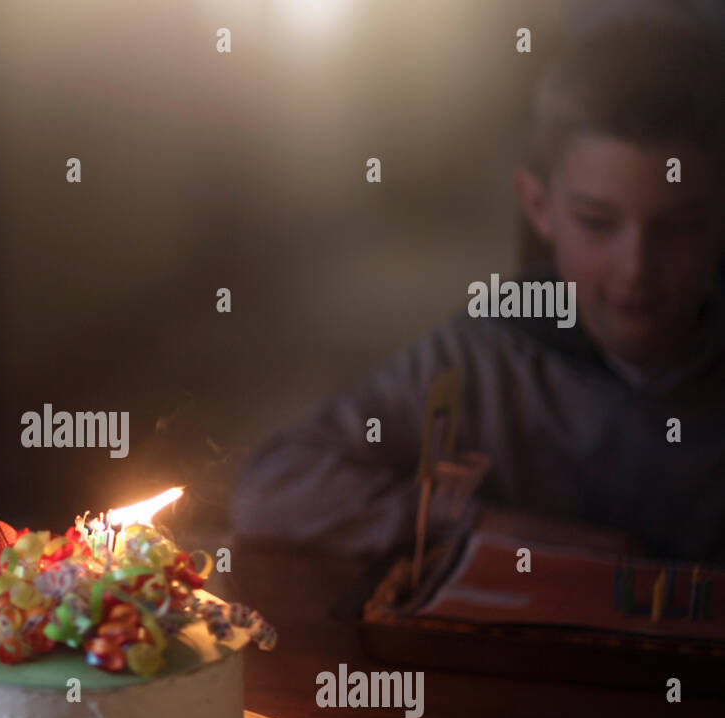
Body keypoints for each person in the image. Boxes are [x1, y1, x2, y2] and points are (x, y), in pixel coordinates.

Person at [232, 20, 725, 564]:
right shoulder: (487, 357)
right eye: (596, 223)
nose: (636, 270)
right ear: (538, 206)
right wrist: (480, 524)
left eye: (677, 228)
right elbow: (273, 487)